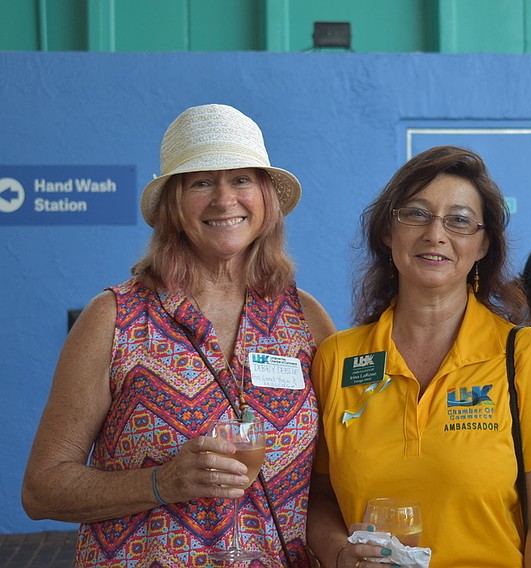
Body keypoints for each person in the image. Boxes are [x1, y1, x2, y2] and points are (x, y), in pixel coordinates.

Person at [21, 104, 335, 566]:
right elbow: (42, 489)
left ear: (266, 198)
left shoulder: (305, 319)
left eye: (242, 179)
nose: (224, 199)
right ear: (172, 205)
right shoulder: (115, 319)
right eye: (202, 182)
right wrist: (162, 482)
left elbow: (327, 483)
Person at [306, 146, 531, 567]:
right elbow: (319, 497)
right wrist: (338, 553)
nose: (435, 234)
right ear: (388, 231)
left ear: (483, 245)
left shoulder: (521, 355)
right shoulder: (338, 357)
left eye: (460, 221)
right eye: (416, 214)